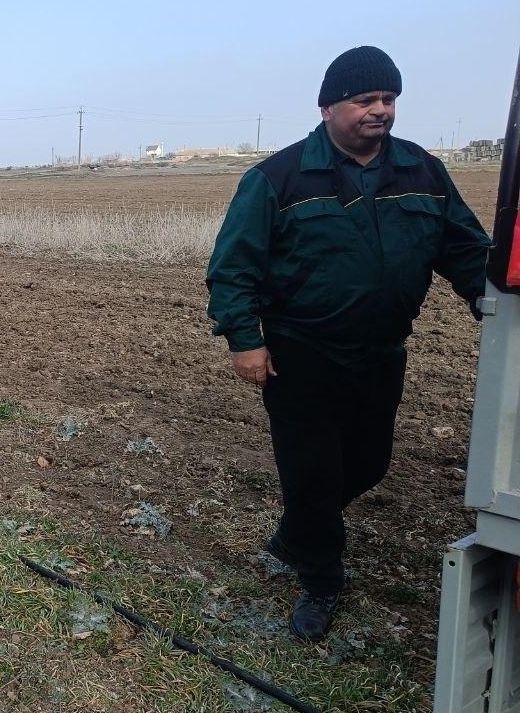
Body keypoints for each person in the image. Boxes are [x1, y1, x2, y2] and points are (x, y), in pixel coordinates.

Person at [206, 46, 491, 641]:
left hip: (382, 348)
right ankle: (322, 578)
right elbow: (234, 266)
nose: (380, 110)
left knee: (369, 463)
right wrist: (244, 339)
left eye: (388, 100)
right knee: (312, 473)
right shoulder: (279, 178)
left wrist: (492, 304)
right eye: (365, 100)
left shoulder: (422, 172)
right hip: (301, 352)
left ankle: (295, 533)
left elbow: (464, 249)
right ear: (329, 105)